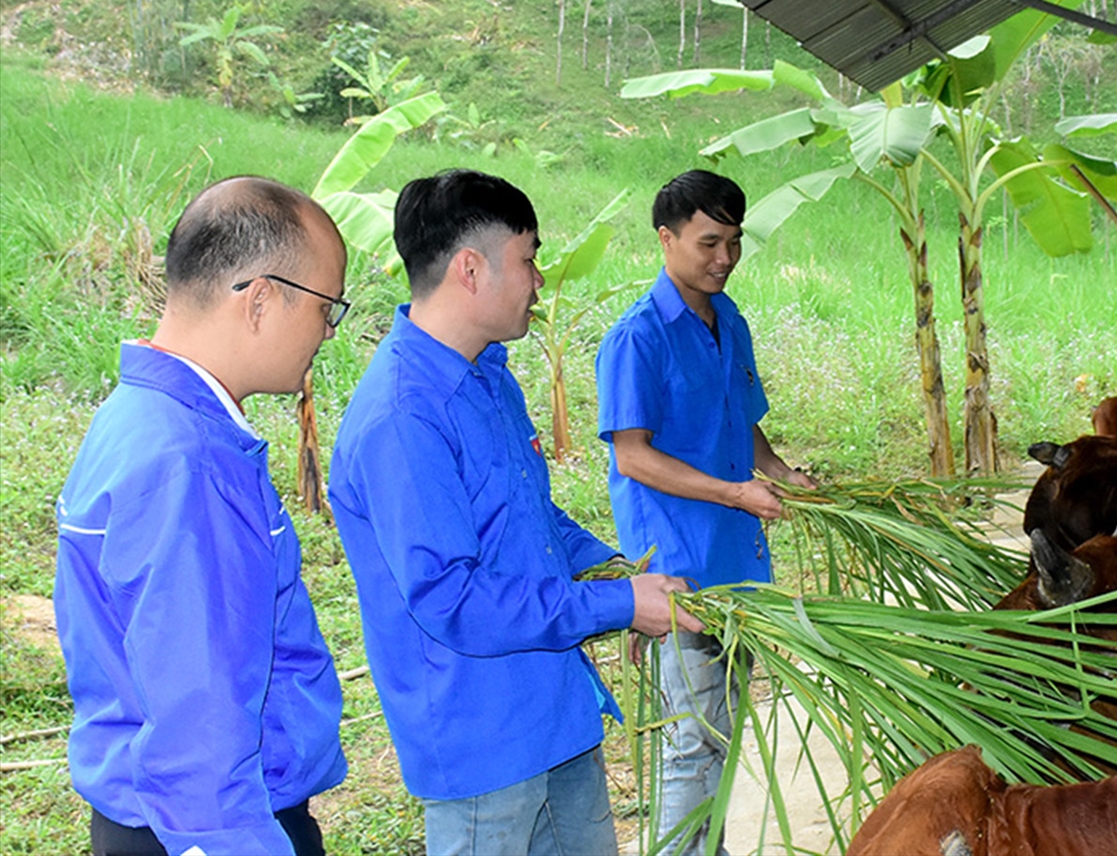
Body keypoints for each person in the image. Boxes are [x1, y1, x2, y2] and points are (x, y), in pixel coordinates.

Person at [328, 168, 701, 856]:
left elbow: (532, 516)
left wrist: (618, 572)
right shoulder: (403, 416)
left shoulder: (489, 375)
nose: (537, 280)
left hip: (556, 713)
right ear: (471, 269)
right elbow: (453, 597)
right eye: (528, 260)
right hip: (484, 748)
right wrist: (617, 606)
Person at [53, 176, 351, 856]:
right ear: (264, 299)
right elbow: (200, 734)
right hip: (214, 828)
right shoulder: (189, 462)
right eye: (327, 307)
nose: (328, 332)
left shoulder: (135, 419)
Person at [595, 169, 814, 856]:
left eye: (734, 242)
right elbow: (633, 456)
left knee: (720, 727)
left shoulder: (730, 318)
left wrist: (778, 471)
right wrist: (733, 491)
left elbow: (740, 416)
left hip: (734, 563)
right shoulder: (637, 337)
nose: (724, 258)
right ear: (666, 238)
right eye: (709, 242)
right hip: (680, 571)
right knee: (693, 740)